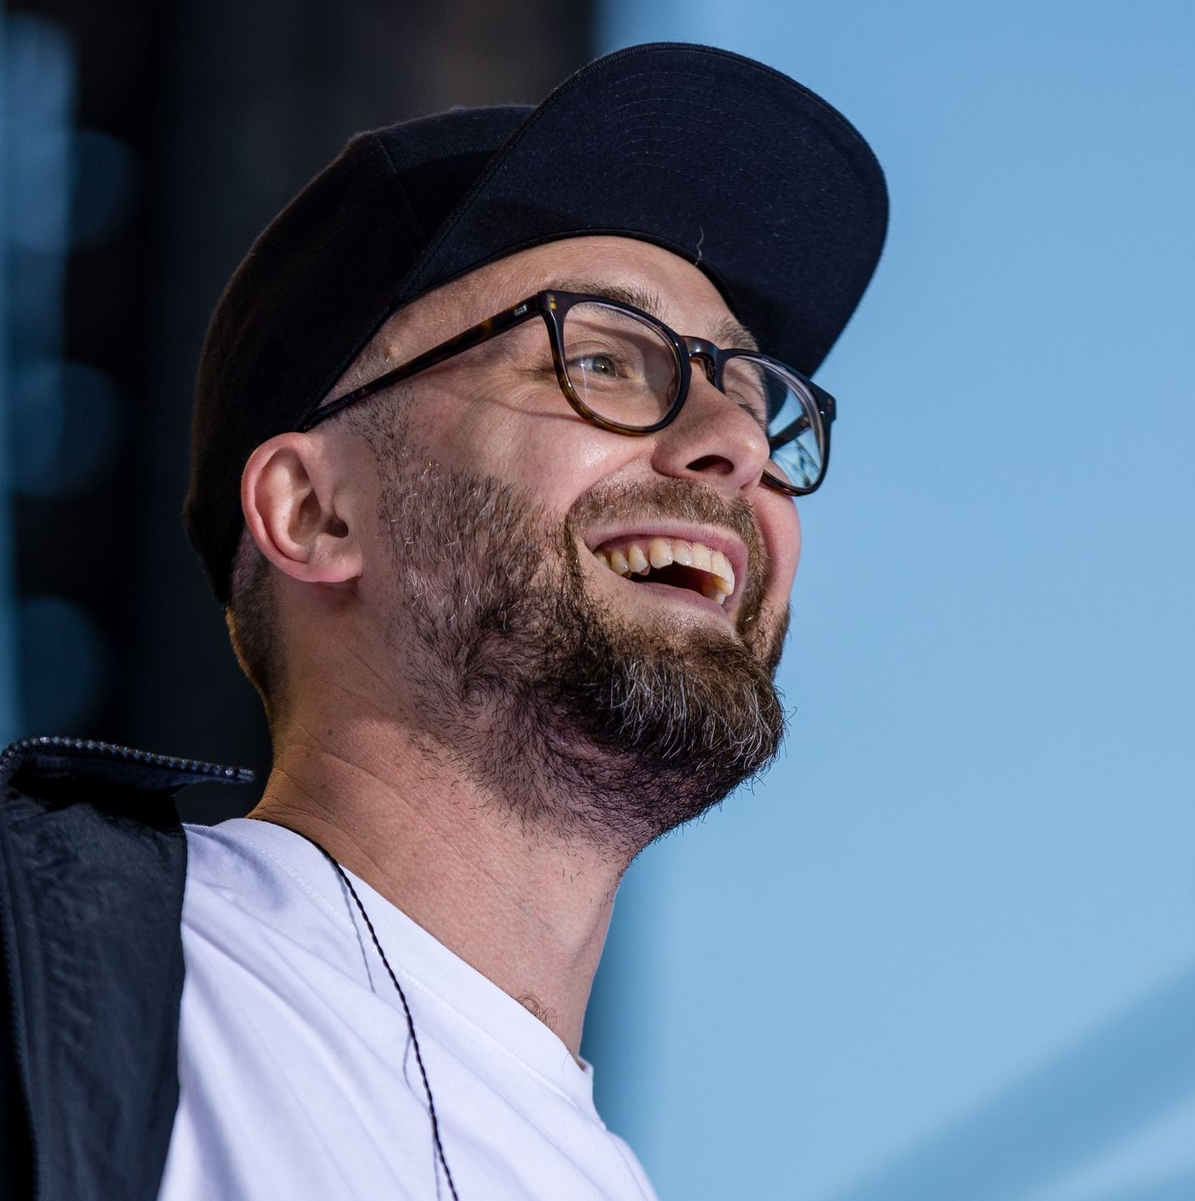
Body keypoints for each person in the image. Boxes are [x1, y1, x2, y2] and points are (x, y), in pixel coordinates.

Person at [0, 42, 886, 1201]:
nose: (734, 443)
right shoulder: (46, 954)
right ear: (316, 511)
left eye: (755, 394)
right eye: (605, 359)